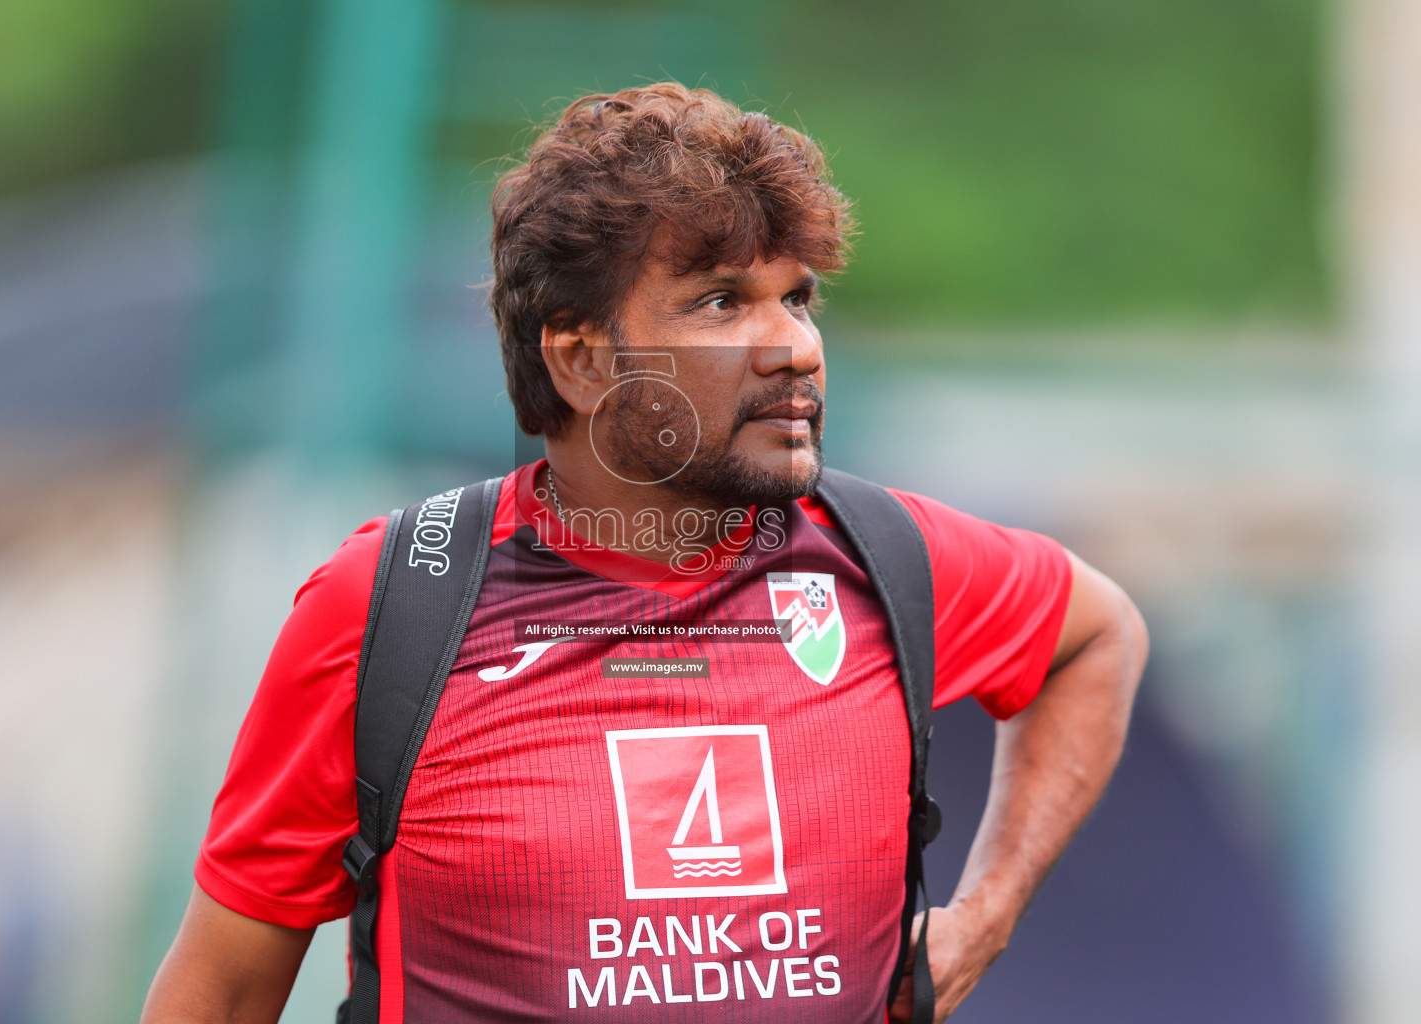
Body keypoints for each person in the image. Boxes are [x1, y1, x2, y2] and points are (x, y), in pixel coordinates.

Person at [141, 82, 1147, 1024]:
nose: (793, 345)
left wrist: (987, 913)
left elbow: (1099, 634)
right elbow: (223, 990)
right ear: (579, 359)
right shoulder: (394, 604)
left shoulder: (888, 559)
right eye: (721, 302)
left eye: (798, 298)